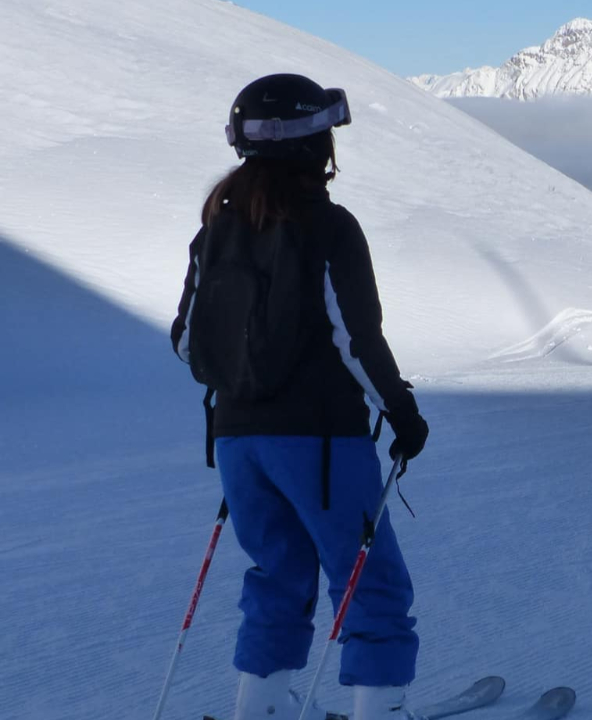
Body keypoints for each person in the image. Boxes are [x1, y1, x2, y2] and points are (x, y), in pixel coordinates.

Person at [171, 74, 431, 720]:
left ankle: (258, 707)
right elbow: (356, 338)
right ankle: (382, 710)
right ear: (311, 145)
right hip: (319, 443)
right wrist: (402, 412)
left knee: (276, 576)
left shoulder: (215, 232)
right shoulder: (330, 227)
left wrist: (244, 383)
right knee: (369, 578)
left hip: (235, 441)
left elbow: (186, 342)